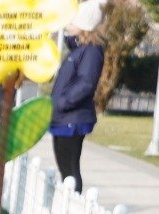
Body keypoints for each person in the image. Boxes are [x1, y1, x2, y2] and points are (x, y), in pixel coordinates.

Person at [50, 0, 105, 192]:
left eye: (72, 22)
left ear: (84, 26)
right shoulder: (79, 50)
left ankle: (74, 204)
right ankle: (68, 201)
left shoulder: (91, 51)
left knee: (70, 167)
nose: (67, 25)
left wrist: (63, 102)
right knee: (64, 167)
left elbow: (86, 83)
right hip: (63, 117)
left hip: (72, 118)